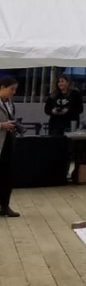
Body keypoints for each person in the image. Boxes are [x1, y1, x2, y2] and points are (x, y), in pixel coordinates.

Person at [0, 76, 24, 217]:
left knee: (7, 175)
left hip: (8, 141)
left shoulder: (9, 103)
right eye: (12, 89)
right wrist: (2, 125)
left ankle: (5, 205)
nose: (13, 92)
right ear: (2, 87)